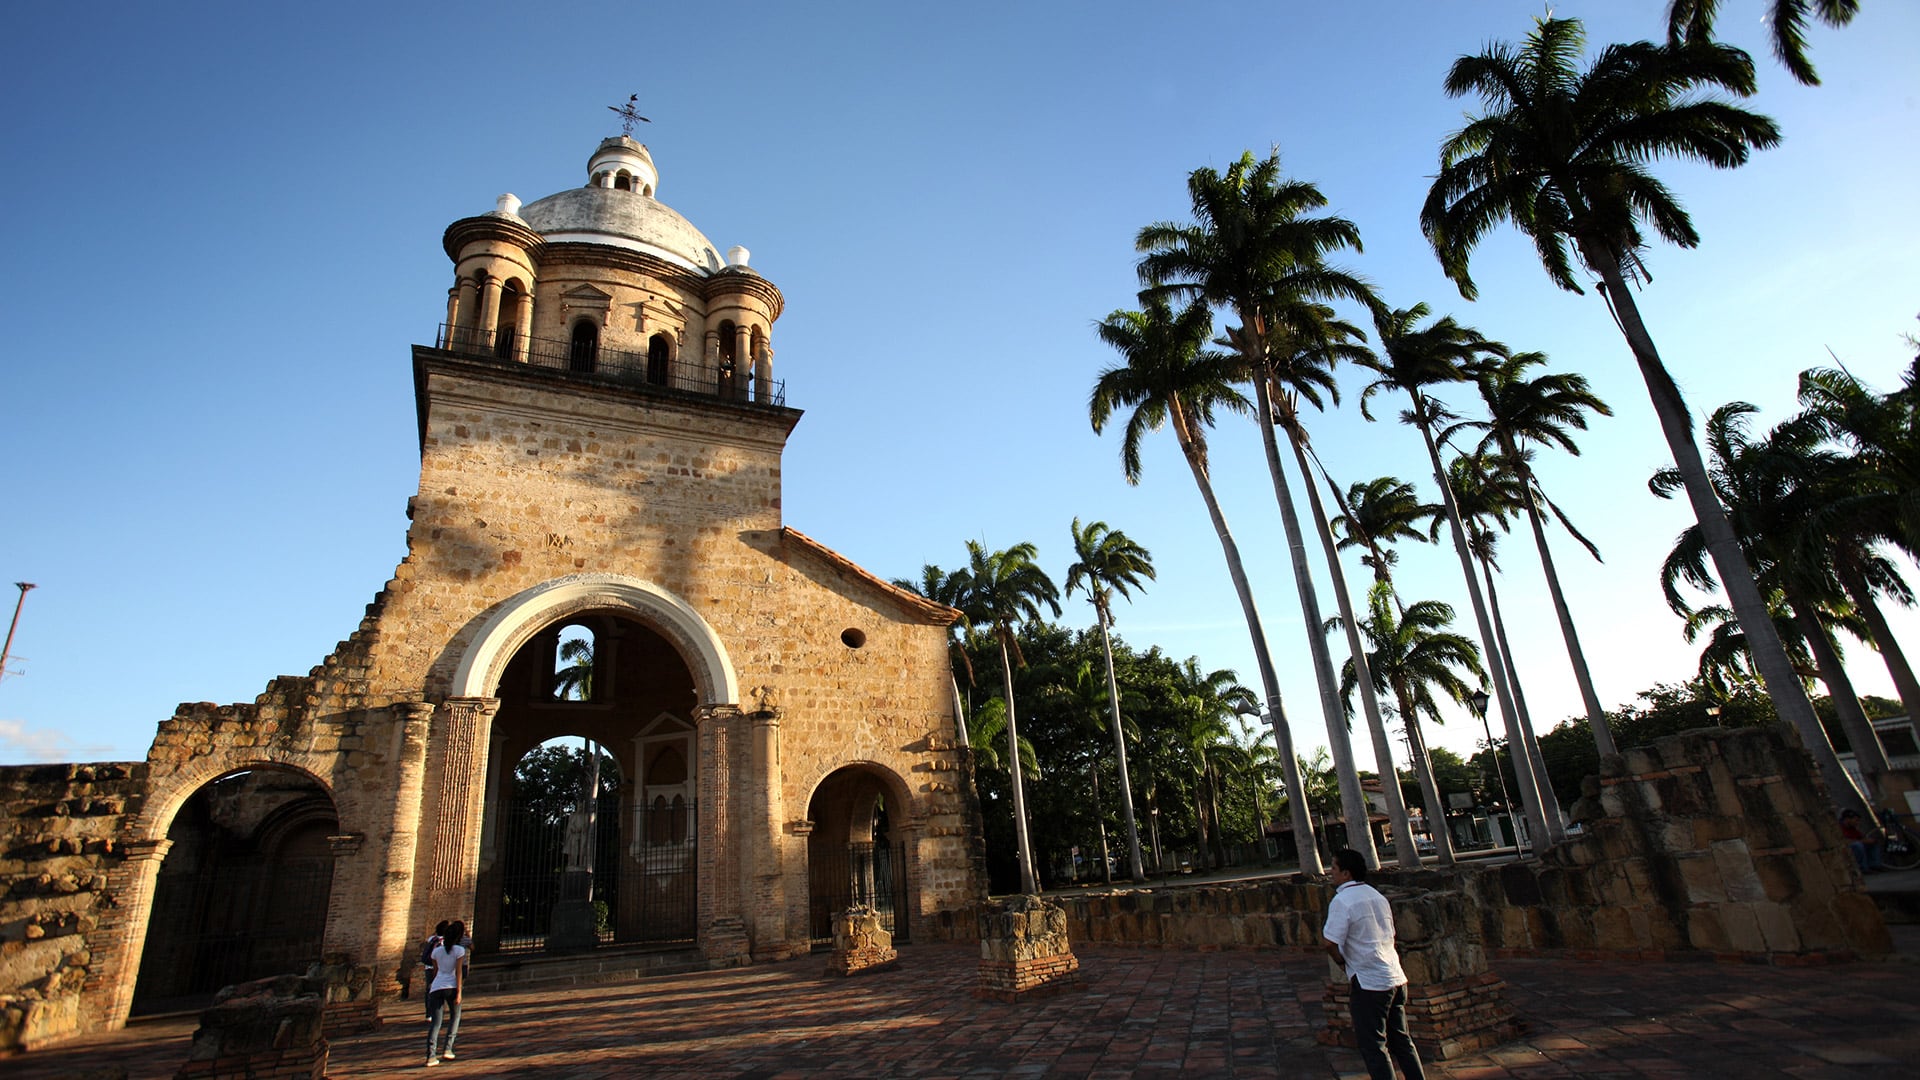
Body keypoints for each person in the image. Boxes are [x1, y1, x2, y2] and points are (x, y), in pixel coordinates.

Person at [1322, 848, 1426, 1080]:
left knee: (1374, 1045)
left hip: (1369, 982)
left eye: (1334, 868)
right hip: (1395, 976)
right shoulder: (1376, 896)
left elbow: (1330, 942)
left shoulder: (1342, 901)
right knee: (1401, 1040)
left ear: (1346, 873)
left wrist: (1342, 962)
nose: (1331, 872)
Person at [424, 918, 468, 1067]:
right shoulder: (459, 951)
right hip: (452, 986)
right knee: (455, 1017)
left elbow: (436, 972)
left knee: (436, 1023)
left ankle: (431, 1056)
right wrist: (459, 992)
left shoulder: (436, 951)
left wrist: (433, 985)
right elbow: (458, 972)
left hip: (437, 987)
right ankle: (448, 1049)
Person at [1840, 809, 1884, 873]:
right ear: (1847, 819)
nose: (1857, 823)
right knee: (1858, 845)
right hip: (1846, 848)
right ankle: (1862, 868)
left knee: (1873, 843)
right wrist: (1863, 841)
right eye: (1856, 820)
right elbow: (1845, 841)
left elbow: (1861, 837)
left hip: (1856, 844)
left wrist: (1870, 840)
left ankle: (1874, 865)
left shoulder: (1853, 828)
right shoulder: (1840, 828)